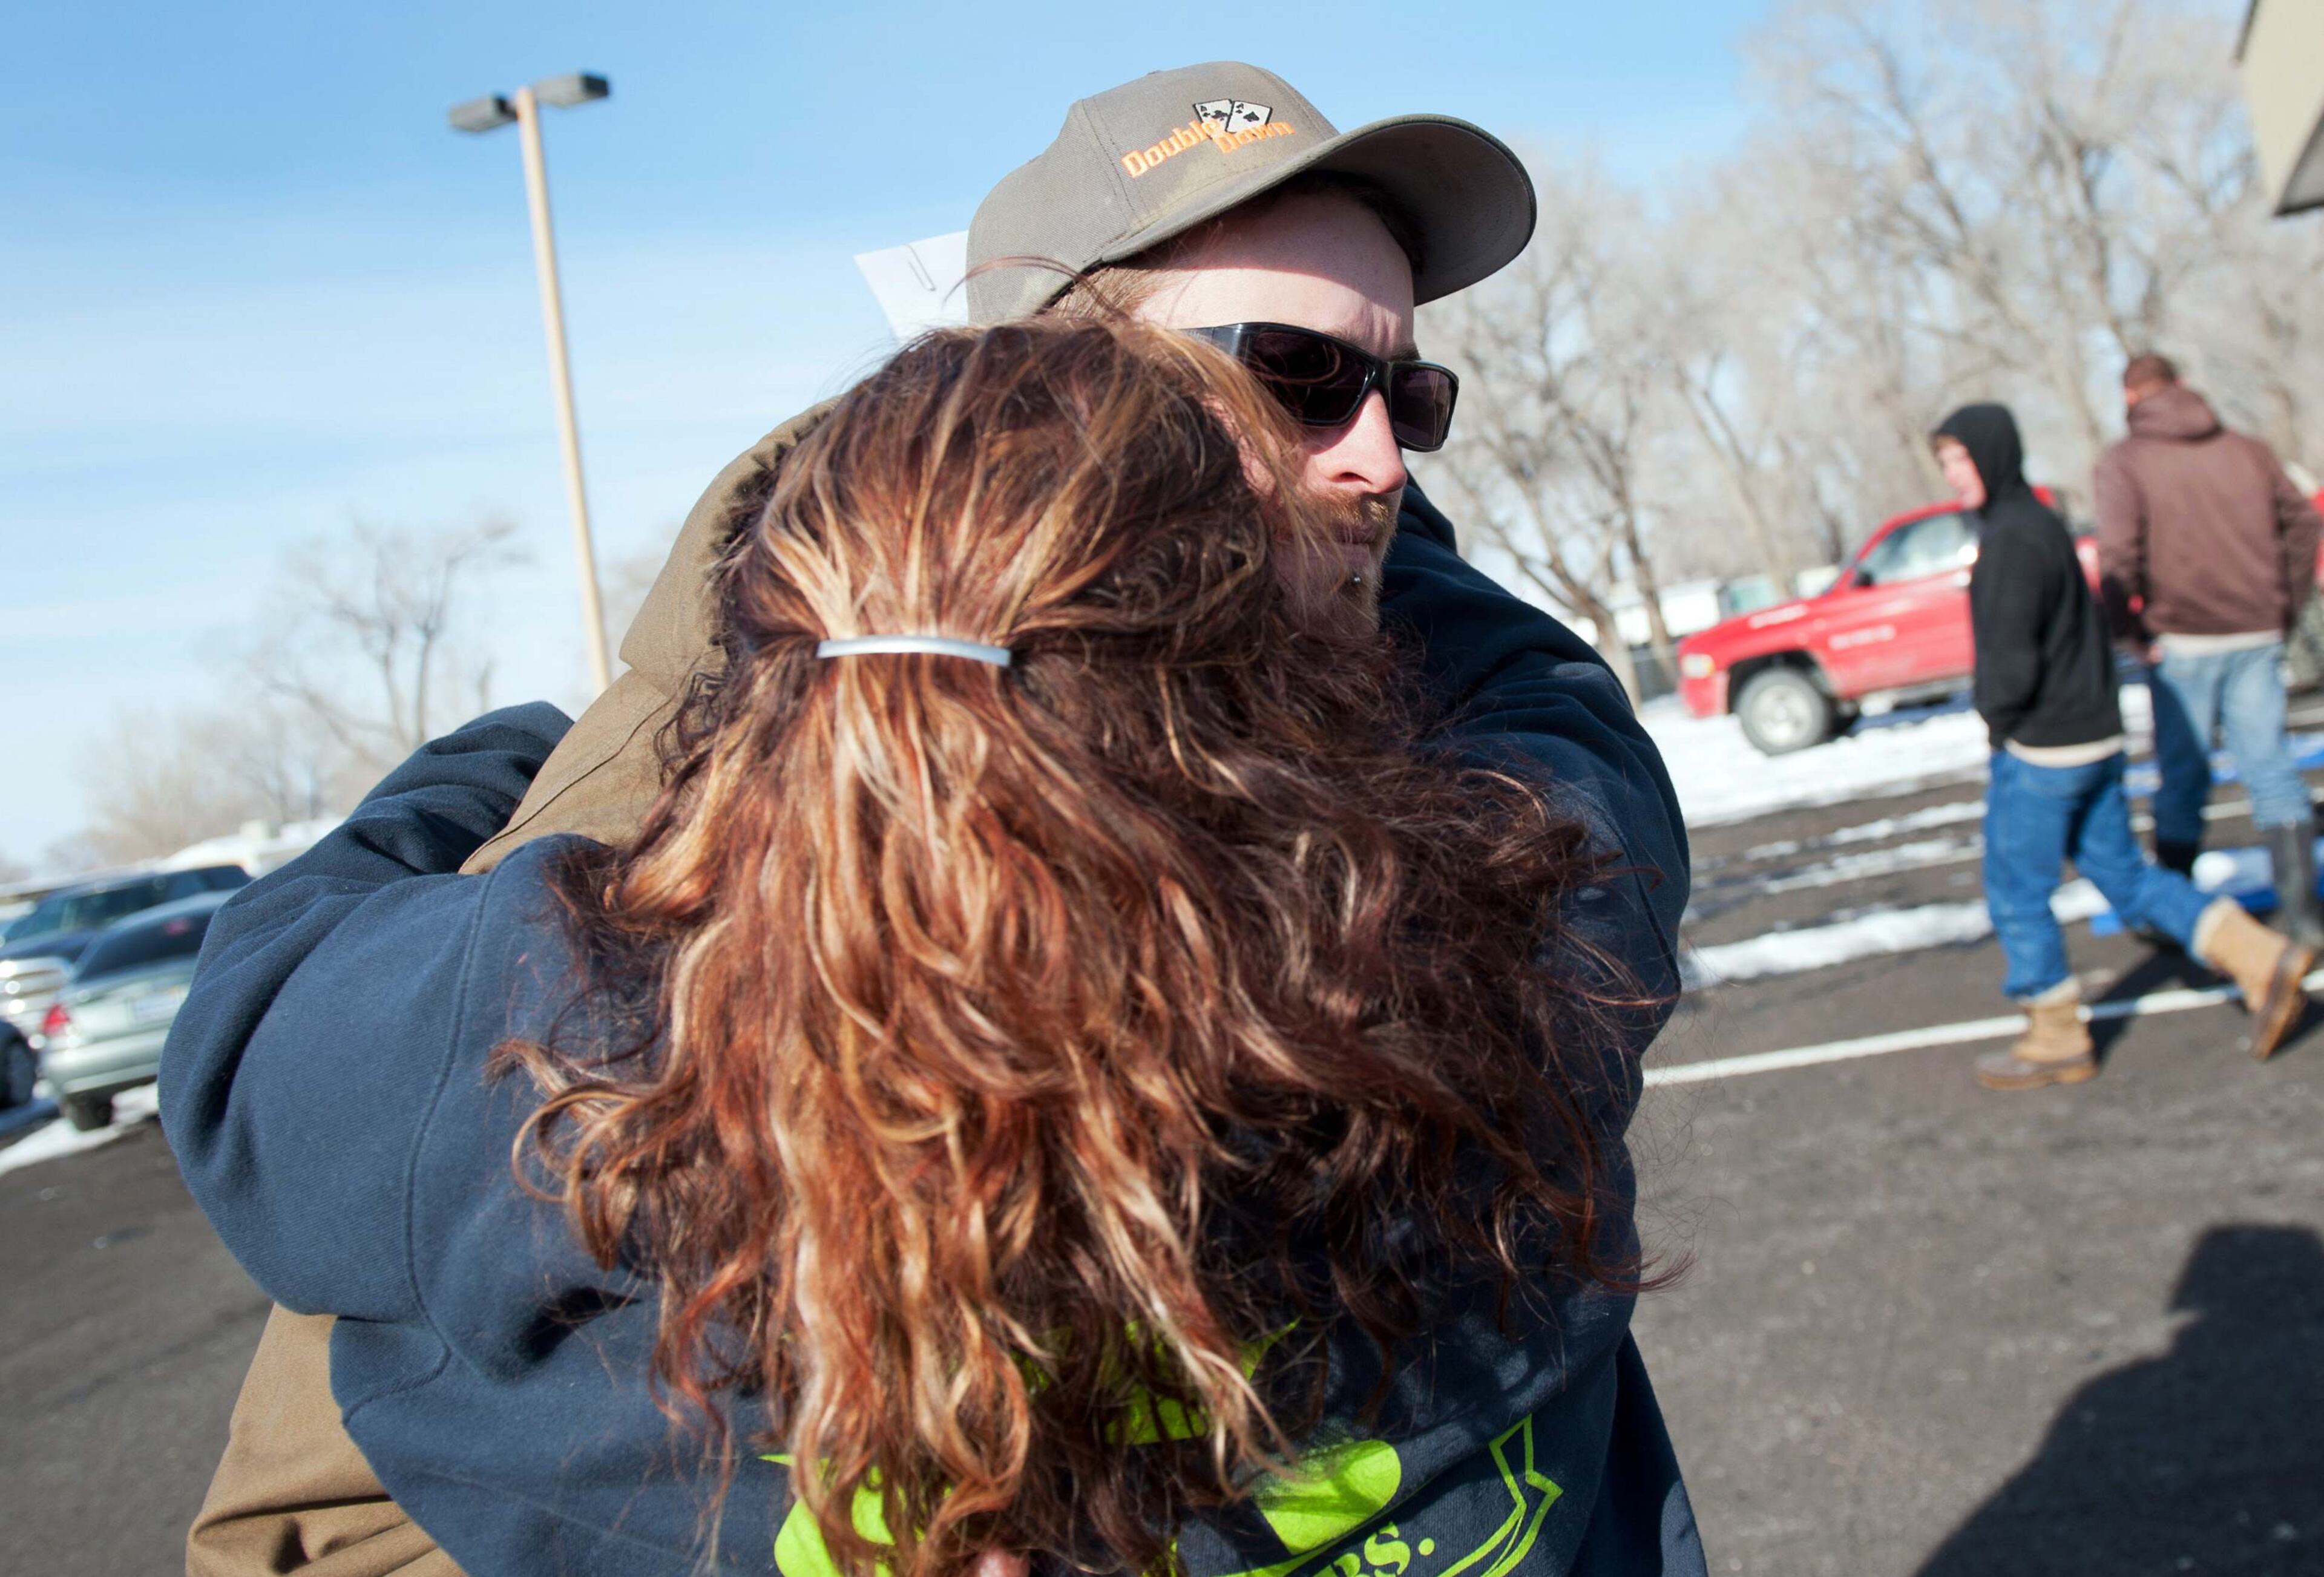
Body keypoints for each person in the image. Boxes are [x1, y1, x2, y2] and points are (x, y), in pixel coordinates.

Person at [181, 62, 1694, 1577]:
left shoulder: (574, 1018)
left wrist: (476, 771)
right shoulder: (1506, 898)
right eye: (1292, 373)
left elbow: (290, 1083)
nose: (1376, 461)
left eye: (1406, 393)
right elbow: (1568, 733)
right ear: (1045, 394)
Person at [1934, 402, 2315, 1091]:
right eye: (1945, 463)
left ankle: (2055, 1032)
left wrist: (1998, 721)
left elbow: (2011, 664)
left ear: (1991, 454)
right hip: (2094, 737)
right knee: (2125, 876)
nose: (1953, 475)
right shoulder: (2039, 523)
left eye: (1959, 459)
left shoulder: (2012, 541)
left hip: (2044, 748)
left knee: (2017, 889)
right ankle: (2260, 956)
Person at [2094, 352, 2323, 939]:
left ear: (2130, 398)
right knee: (2271, 770)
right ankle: (2304, 921)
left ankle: (2180, 916)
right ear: (2184, 386)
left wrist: (2130, 633)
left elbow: (2118, 557)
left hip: (2183, 640)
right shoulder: (2248, 450)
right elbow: (2302, 525)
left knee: (2184, 775)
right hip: (2253, 630)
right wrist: (2283, 604)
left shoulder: (2127, 462)